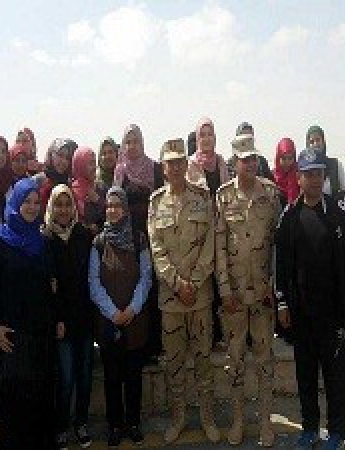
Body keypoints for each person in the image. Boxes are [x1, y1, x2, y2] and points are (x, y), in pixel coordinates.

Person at [276, 149, 345, 450]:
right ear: (298, 178)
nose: (313, 180)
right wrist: (283, 303)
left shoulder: (339, 213)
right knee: (305, 376)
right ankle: (309, 428)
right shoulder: (289, 216)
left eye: (318, 173)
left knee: (336, 376)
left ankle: (336, 431)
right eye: (307, 174)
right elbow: (281, 264)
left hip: (333, 312)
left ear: (324, 177)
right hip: (302, 314)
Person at [0, 178, 63, 450]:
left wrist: (55, 318)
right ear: (15, 203)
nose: (31, 207)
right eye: (26, 201)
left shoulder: (41, 242)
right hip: (13, 339)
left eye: (35, 202)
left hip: (41, 336)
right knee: (16, 406)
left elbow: (51, 284)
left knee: (42, 402)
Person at [148, 139, 220, 444]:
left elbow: (210, 246)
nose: (176, 167)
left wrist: (196, 281)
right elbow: (156, 249)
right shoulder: (156, 203)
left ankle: (207, 418)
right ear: (163, 168)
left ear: (185, 165)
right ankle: (178, 419)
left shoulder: (203, 200)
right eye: (170, 163)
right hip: (171, 300)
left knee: (203, 361)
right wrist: (177, 284)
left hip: (200, 298)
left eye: (180, 162)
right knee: (175, 364)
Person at [216, 134, 281, 447]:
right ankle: (239, 420)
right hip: (235, 298)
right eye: (245, 160)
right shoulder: (223, 197)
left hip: (264, 295)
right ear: (235, 162)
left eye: (254, 158)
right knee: (235, 361)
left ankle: (265, 421)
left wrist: (275, 286)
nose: (251, 164)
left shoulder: (270, 194)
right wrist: (225, 291)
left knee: (265, 360)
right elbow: (218, 249)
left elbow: (279, 245)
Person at [89, 186, 152, 447]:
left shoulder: (138, 239)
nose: (113, 210)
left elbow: (146, 277)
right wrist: (113, 312)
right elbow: (93, 282)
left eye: (117, 205)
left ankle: (133, 422)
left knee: (133, 376)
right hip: (109, 322)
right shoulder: (99, 242)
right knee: (112, 377)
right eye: (109, 205)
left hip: (135, 320)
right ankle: (114, 425)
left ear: (125, 209)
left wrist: (132, 309)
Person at [45, 185, 95, 450]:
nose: (63, 210)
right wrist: (57, 319)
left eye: (68, 204)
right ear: (52, 207)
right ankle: (61, 426)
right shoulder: (46, 239)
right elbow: (48, 285)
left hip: (84, 318)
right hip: (61, 322)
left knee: (84, 376)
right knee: (65, 378)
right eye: (59, 205)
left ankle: (81, 423)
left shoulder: (82, 235)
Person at [114, 124, 164, 360]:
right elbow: (115, 203)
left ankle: (153, 345)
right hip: (128, 239)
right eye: (128, 141)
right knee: (132, 288)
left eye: (136, 141)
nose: (132, 146)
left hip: (151, 235)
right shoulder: (120, 170)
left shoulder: (155, 168)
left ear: (142, 142)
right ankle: (133, 346)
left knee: (151, 287)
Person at [187, 117, 230, 347]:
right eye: (202, 135)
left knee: (222, 277)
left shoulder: (222, 163)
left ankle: (223, 333)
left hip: (221, 227)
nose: (206, 139)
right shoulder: (191, 165)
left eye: (210, 133)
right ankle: (208, 336)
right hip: (200, 231)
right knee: (204, 281)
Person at [305, 125, 345, 200]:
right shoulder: (304, 167)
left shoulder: (335, 164)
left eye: (318, 140)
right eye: (312, 142)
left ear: (323, 142)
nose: (315, 144)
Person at [71, 146, 105, 234]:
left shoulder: (101, 187)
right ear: (80, 165)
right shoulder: (70, 191)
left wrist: (98, 200)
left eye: (95, 163)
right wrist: (85, 226)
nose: (95, 167)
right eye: (91, 163)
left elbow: (110, 215)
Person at [34, 138, 74, 210]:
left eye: (67, 158)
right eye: (60, 155)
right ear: (51, 155)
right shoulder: (38, 180)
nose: (64, 161)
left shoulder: (69, 183)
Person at [273, 137, 300, 206]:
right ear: (278, 158)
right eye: (284, 158)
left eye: (290, 158)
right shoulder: (272, 177)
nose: (287, 162)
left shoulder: (299, 176)